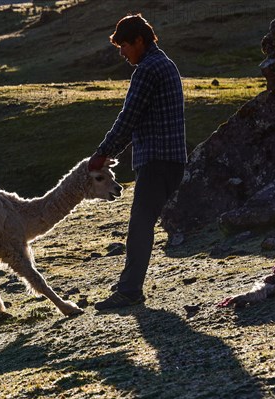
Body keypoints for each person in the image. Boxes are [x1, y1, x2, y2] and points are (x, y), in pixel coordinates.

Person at [89, 14, 187, 310]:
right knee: (143, 224)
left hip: (156, 160)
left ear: (139, 41)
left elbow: (128, 118)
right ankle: (130, 285)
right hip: (171, 158)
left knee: (140, 226)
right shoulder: (164, 64)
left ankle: (130, 291)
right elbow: (140, 119)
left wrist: (102, 153)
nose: (121, 53)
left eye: (124, 46)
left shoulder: (147, 70)